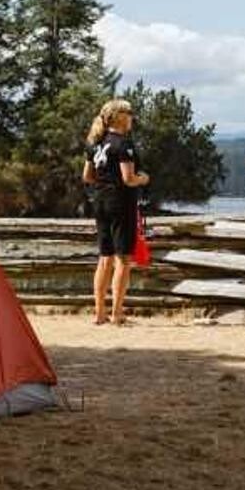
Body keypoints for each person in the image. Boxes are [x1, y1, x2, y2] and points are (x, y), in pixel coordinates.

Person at [82, 99, 150, 325]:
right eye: (129, 113)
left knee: (104, 258)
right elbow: (128, 178)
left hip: (100, 202)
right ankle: (117, 313)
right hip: (121, 204)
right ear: (120, 117)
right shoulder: (124, 144)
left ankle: (99, 312)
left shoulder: (95, 143)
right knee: (123, 258)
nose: (132, 117)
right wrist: (144, 178)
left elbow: (87, 176)